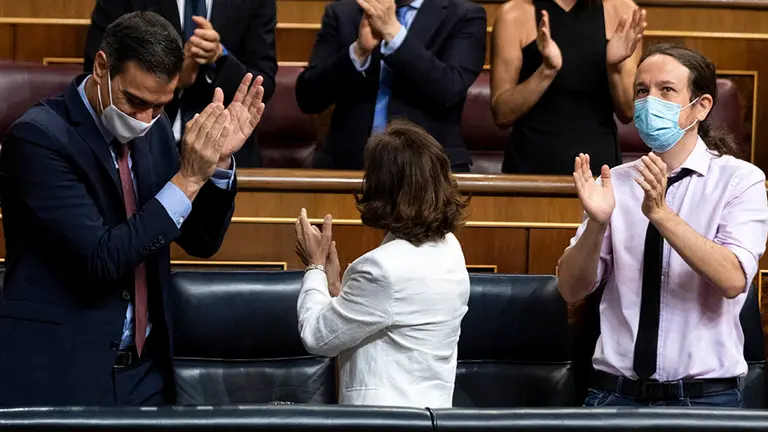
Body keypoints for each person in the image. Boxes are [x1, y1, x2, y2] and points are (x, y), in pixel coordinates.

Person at [0, 11, 265, 406]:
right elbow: (101, 258)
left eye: (160, 107)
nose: (146, 119)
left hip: (145, 376)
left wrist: (219, 165)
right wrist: (189, 178)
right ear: (102, 66)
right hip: (60, 371)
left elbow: (201, 240)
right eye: (136, 101)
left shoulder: (154, 130)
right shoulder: (38, 138)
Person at [557, 44, 768, 408]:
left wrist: (661, 214)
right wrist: (596, 223)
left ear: (701, 106)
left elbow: (734, 279)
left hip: (706, 399)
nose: (648, 101)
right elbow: (571, 289)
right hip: (613, 394)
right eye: (642, 90)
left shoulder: (740, 180)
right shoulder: (616, 182)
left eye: (665, 90)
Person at [294, 120, 470, 407]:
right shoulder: (451, 248)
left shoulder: (381, 269)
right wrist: (337, 288)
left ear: (382, 187)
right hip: (433, 420)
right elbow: (387, 316)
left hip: (383, 426)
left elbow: (317, 337)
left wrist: (314, 267)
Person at [295, 0, 486, 172]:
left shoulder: (464, 16)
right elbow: (308, 98)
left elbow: (449, 89)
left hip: (429, 171)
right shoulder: (342, 12)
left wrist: (394, 35)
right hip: (348, 167)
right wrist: (358, 52)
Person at [84, 0, 277, 167]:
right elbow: (98, 68)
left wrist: (220, 57)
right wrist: (174, 79)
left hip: (225, 149)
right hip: (139, 147)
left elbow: (263, 86)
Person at [490, 0, 645, 174]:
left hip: (598, 169)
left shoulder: (623, 11)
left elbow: (628, 111)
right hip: (530, 165)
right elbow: (501, 114)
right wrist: (546, 71)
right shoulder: (513, 13)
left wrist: (614, 67)